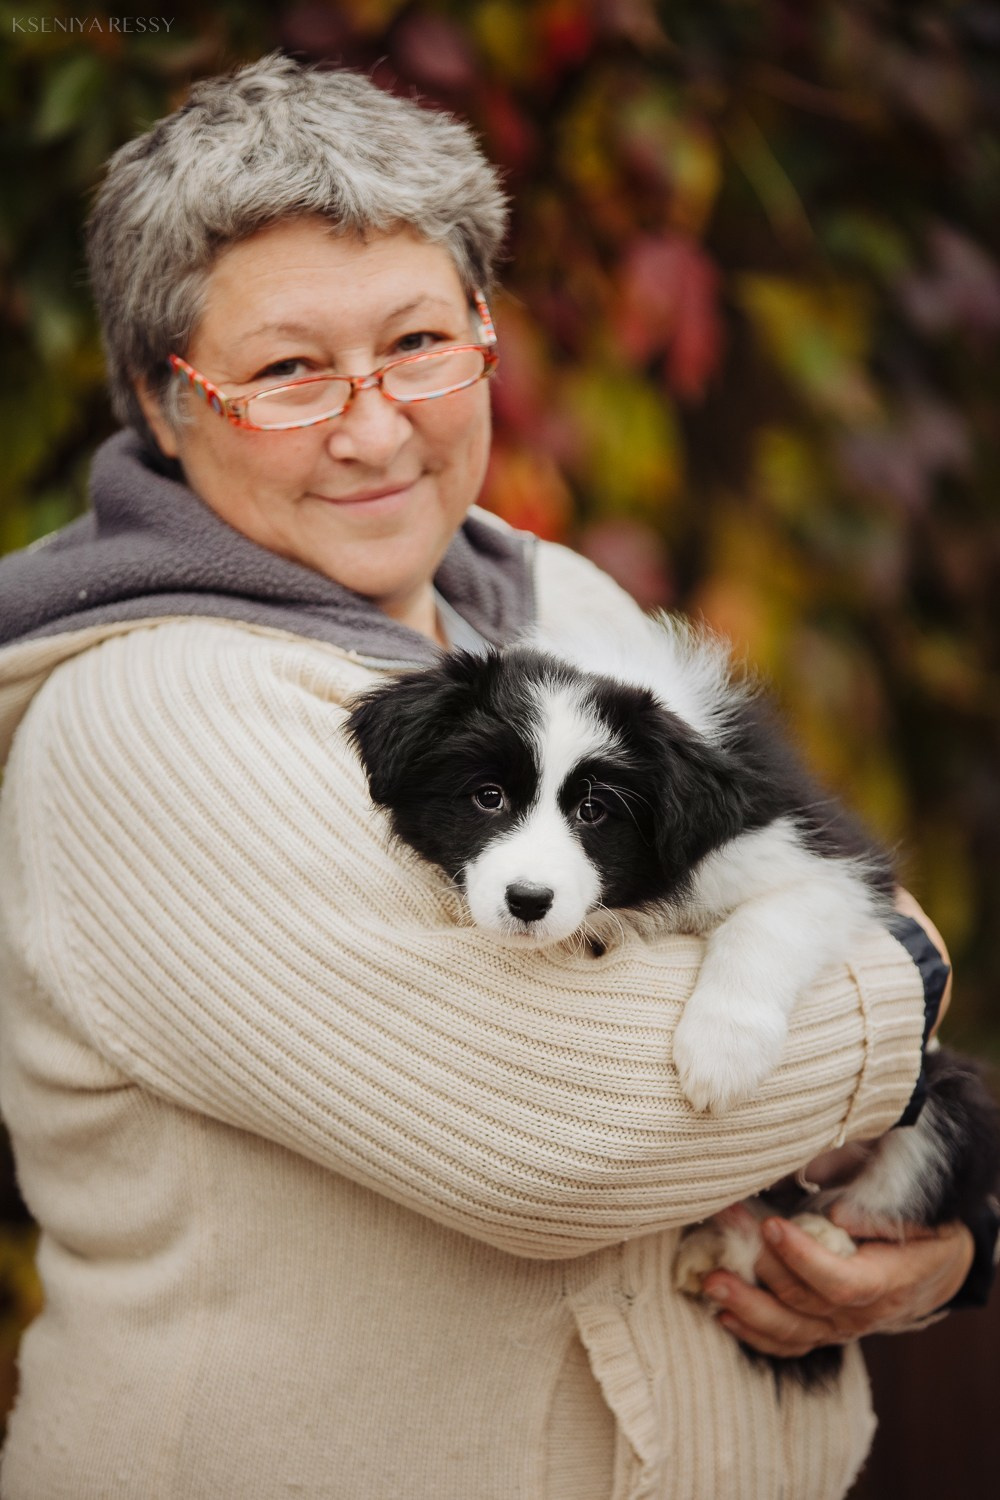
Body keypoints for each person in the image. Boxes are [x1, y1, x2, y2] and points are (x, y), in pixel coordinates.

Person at [0, 54, 986, 1500]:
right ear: (163, 403)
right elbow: (567, 1139)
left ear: (482, 335)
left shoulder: (555, 606)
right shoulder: (157, 707)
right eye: (287, 370)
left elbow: (784, 882)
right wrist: (904, 980)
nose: (374, 427)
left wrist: (944, 1252)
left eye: (417, 343)